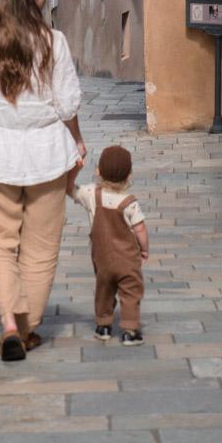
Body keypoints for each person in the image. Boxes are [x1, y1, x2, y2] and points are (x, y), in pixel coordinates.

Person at [0, 0, 86, 362]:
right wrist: (78, 143)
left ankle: (10, 326)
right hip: (48, 153)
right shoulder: (55, 42)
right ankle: (26, 328)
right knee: (41, 248)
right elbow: (67, 105)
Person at [68, 144, 148, 347]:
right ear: (129, 174)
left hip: (102, 258)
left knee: (104, 289)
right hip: (127, 260)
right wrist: (144, 249)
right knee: (130, 291)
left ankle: (103, 326)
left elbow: (69, 189)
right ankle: (130, 330)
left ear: (98, 171)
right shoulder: (129, 202)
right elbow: (140, 229)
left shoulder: (90, 194)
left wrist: (75, 169)